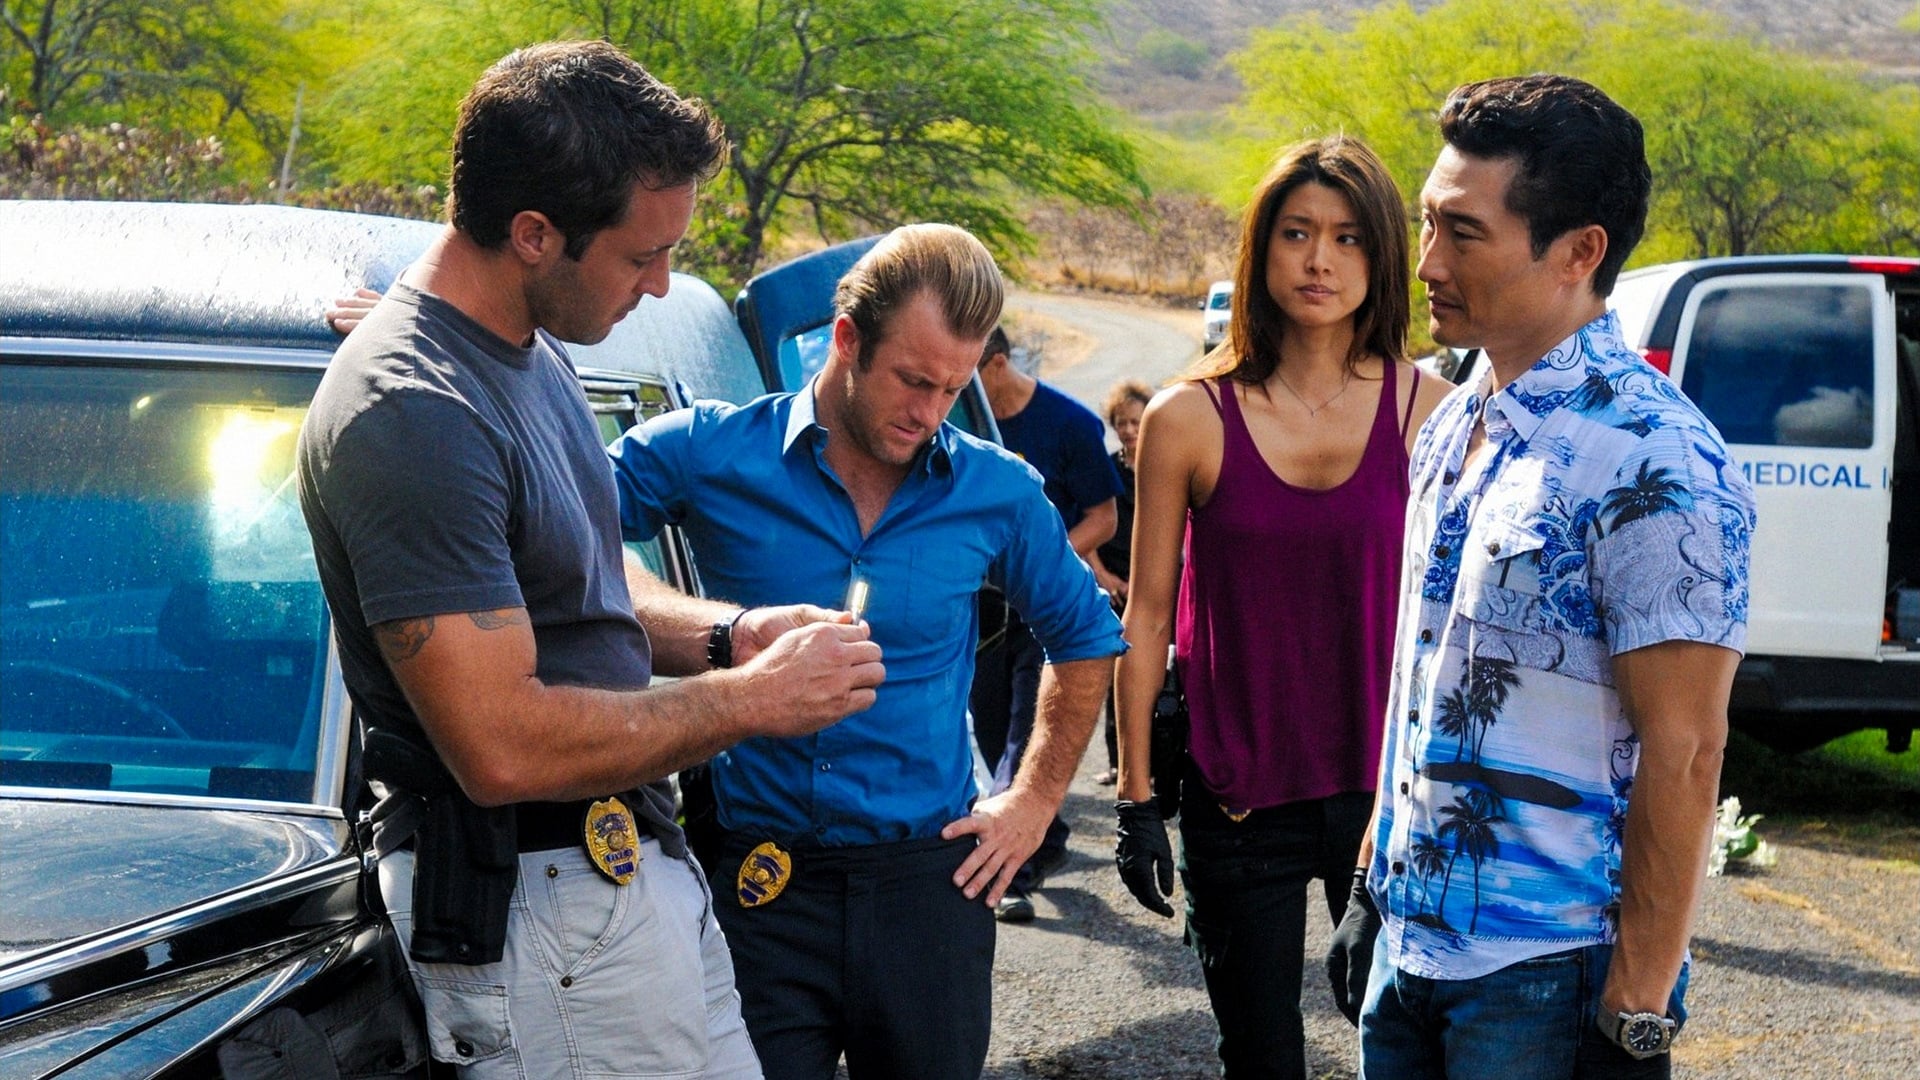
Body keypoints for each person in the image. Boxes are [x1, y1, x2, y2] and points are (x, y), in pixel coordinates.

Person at [296, 41, 887, 1079]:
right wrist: (753, 701)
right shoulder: (412, 409)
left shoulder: (533, 348)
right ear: (533, 234)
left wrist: (728, 636)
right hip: (538, 909)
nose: (660, 286)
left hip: (620, 881)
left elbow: (588, 570)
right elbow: (500, 745)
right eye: (640, 256)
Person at [606, 223, 1125, 1080]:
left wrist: (1033, 801)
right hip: (760, 885)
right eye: (913, 380)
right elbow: (564, 526)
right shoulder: (710, 450)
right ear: (846, 340)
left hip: (931, 885)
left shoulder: (997, 489)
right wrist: (723, 632)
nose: (929, 413)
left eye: (952, 389)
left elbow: (1088, 635)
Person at [1325, 74, 1756, 1079]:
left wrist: (1637, 1008)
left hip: (1550, 976)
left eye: (1464, 233)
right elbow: (1421, 680)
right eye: (1427, 222)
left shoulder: (1655, 460)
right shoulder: (1454, 423)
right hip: (1411, 944)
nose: (1425, 262)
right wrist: (1369, 884)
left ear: (1579, 252)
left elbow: (1687, 750)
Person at [1111, 134, 1452, 1080]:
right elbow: (1145, 617)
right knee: (1259, 1057)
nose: (1318, 261)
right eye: (1296, 233)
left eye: (1347, 238)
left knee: (1400, 1052)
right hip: (1237, 795)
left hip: (1385, 799)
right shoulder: (1188, 416)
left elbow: (1453, 629)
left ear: (1382, 255)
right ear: (1260, 249)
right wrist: (1136, 801)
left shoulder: (1432, 413)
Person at [970, 325, 1124, 922]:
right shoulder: (959, 420)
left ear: (998, 364)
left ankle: (1009, 868)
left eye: (968, 375)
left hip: (1048, 610)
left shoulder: (1069, 423)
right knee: (988, 725)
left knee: (1023, 728)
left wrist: (1040, 564)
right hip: (982, 609)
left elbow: (1104, 518)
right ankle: (1047, 832)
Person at [1091, 378, 1152, 786]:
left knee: (1161, 677)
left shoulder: (1161, 466)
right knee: (1119, 677)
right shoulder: (1106, 471)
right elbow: (1089, 526)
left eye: (1136, 422)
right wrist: (1105, 576)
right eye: (1122, 423)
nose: (1129, 430)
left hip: (1155, 588)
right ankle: (1119, 763)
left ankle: (1160, 764)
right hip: (1113, 588)